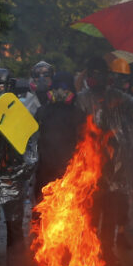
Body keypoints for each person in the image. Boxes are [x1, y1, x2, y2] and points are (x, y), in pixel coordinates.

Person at [76, 56, 133, 254]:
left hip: (113, 166)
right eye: (92, 74)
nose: (96, 79)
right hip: (89, 167)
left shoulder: (119, 98)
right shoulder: (82, 98)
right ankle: (91, 257)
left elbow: (132, 113)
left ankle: (107, 256)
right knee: (91, 217)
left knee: (110, 215)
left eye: (100, 74)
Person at [0, 67, 38, 266]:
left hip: (12, 178)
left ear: (9, 86)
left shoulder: (17, 111)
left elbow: (30, 153)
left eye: (1, 85)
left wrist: (19, 174)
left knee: (13, 225)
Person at [34, 69, 84, 199]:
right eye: (58, 87)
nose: (61, 91)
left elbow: (85, 145)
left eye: (65, 87)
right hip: (44, 174)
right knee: (43, 213)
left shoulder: (79, 115)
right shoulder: (42, 112)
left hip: (69, 175)